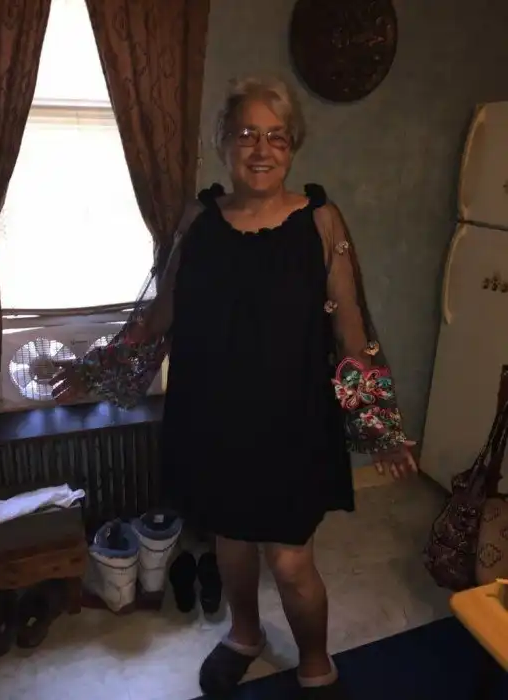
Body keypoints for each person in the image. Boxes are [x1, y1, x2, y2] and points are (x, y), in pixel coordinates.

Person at [52, 77, 417, 699]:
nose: (261, 149)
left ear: (292, 147)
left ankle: (316, 664)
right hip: (213, 418)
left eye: (277, 136)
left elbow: (352, 334)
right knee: (232, 544)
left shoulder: (321, 221)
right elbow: (160, 314)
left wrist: (379, 424)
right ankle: (244, 635)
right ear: (223, 142)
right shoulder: (199, 220)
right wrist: (96, 367)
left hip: (292, 423)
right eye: (247, 134)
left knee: (292, 561)